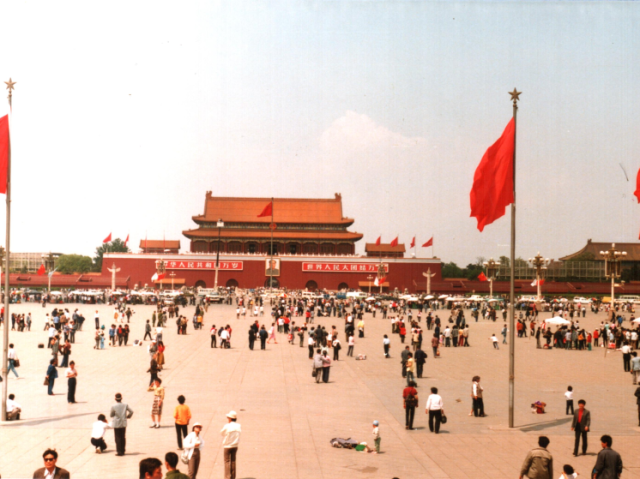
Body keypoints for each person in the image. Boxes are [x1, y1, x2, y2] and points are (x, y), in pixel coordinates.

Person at [221, 411, 241, 479]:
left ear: (230, 418)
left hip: (227, 446)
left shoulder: (227, 426)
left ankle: (227, 477)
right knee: (233, 461)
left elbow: (222, 433)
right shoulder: (238, 426)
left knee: (227, 461)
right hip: (235, 446)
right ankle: (233, 476)